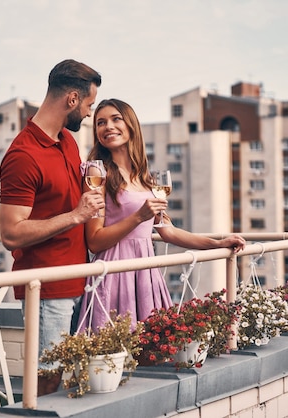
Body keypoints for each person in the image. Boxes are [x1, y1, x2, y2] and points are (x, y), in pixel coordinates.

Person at [77, 98, 246, 332]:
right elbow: (94, 241)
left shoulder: (145, 177)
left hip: (146, 272)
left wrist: (217, 243)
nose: (108, 127)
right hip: (114, 274)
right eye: (100, 123)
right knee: (117, 353)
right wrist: (138, 216)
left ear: (131, 125)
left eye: (116, 119)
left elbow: (168, 232)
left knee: (151, 349)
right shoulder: (97, 172)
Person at [0, 59, 104, 395]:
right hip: (47, 290)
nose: (89, 114)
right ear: (72, 99)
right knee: (48, 378)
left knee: (71, 381)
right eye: (89, 104)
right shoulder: (23, 155)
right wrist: (75, 215)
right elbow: (11, 233)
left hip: (78, 282)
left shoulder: (67, 141)